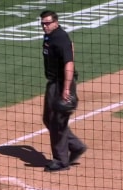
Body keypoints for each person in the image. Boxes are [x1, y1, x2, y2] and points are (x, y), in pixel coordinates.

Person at [40, 10, 87, 172]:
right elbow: (71, 47)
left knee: (57, 122)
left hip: (62, 83)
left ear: (56, 22)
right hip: (53, 83)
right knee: (48, 119)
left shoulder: (59, 38)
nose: (45, 26)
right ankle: (76, 146)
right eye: (43, 23)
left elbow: (69, 63)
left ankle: (61, 161)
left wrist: (66, 89)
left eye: (48, 23)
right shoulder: (50, 36)